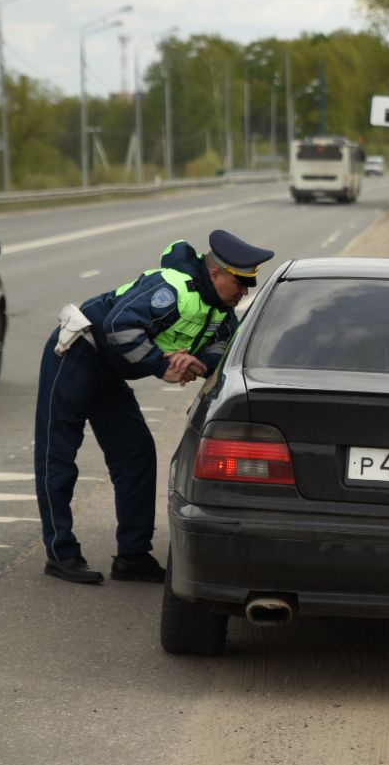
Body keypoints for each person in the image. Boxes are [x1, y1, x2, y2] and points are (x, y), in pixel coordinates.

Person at [34, 229, 275, 585]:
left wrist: (193, 362)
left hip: (110, 373)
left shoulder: (221, 311)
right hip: (78, 356)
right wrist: (162, 365)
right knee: (58, 455)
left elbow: (223, 346)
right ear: (215, 274)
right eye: (240, 281)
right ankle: (61, 553)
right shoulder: (173, 288)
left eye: (249, 283)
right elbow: (120, 325)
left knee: (136, 454)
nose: (245, 291)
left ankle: (132, 555)